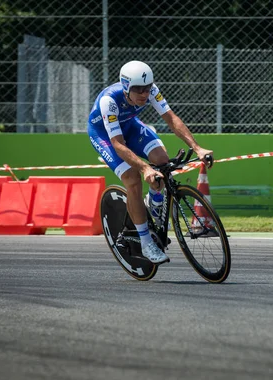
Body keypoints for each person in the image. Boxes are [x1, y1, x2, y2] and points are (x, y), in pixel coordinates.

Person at [87, 60, 213, 264]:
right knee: (133, 178)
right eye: (139, 90)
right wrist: (145, 168)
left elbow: (171, 118)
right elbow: (118, 144)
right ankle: (146, 243)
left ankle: (153, 200)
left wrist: (197, 148)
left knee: (163, 161)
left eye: (147, 88)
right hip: (105, 136)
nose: (145, 94)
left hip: (129, 126)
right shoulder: (109, 101)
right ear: (126, 87)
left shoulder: (152, 90)